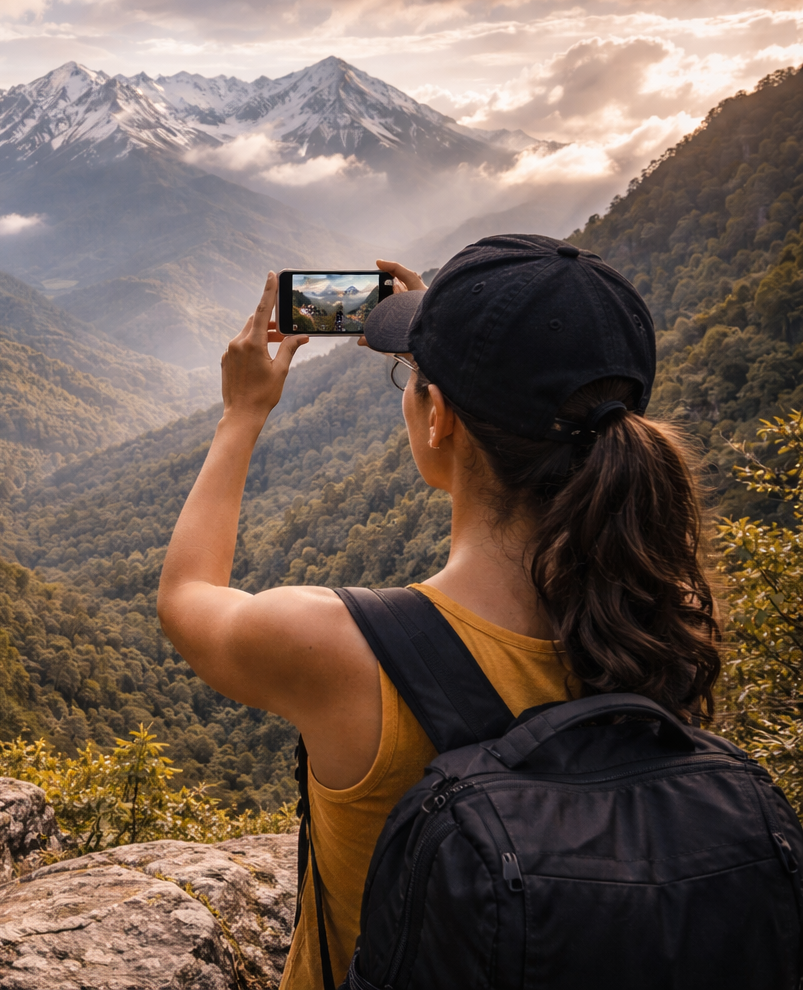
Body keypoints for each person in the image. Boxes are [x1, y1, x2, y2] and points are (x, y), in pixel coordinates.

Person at [156, 235, 721, 989]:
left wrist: (242, 413)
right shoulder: (663, 620)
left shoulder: (339, 648)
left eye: (412, 378)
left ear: (438, 418)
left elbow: (187, 596)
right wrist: (454, 345)